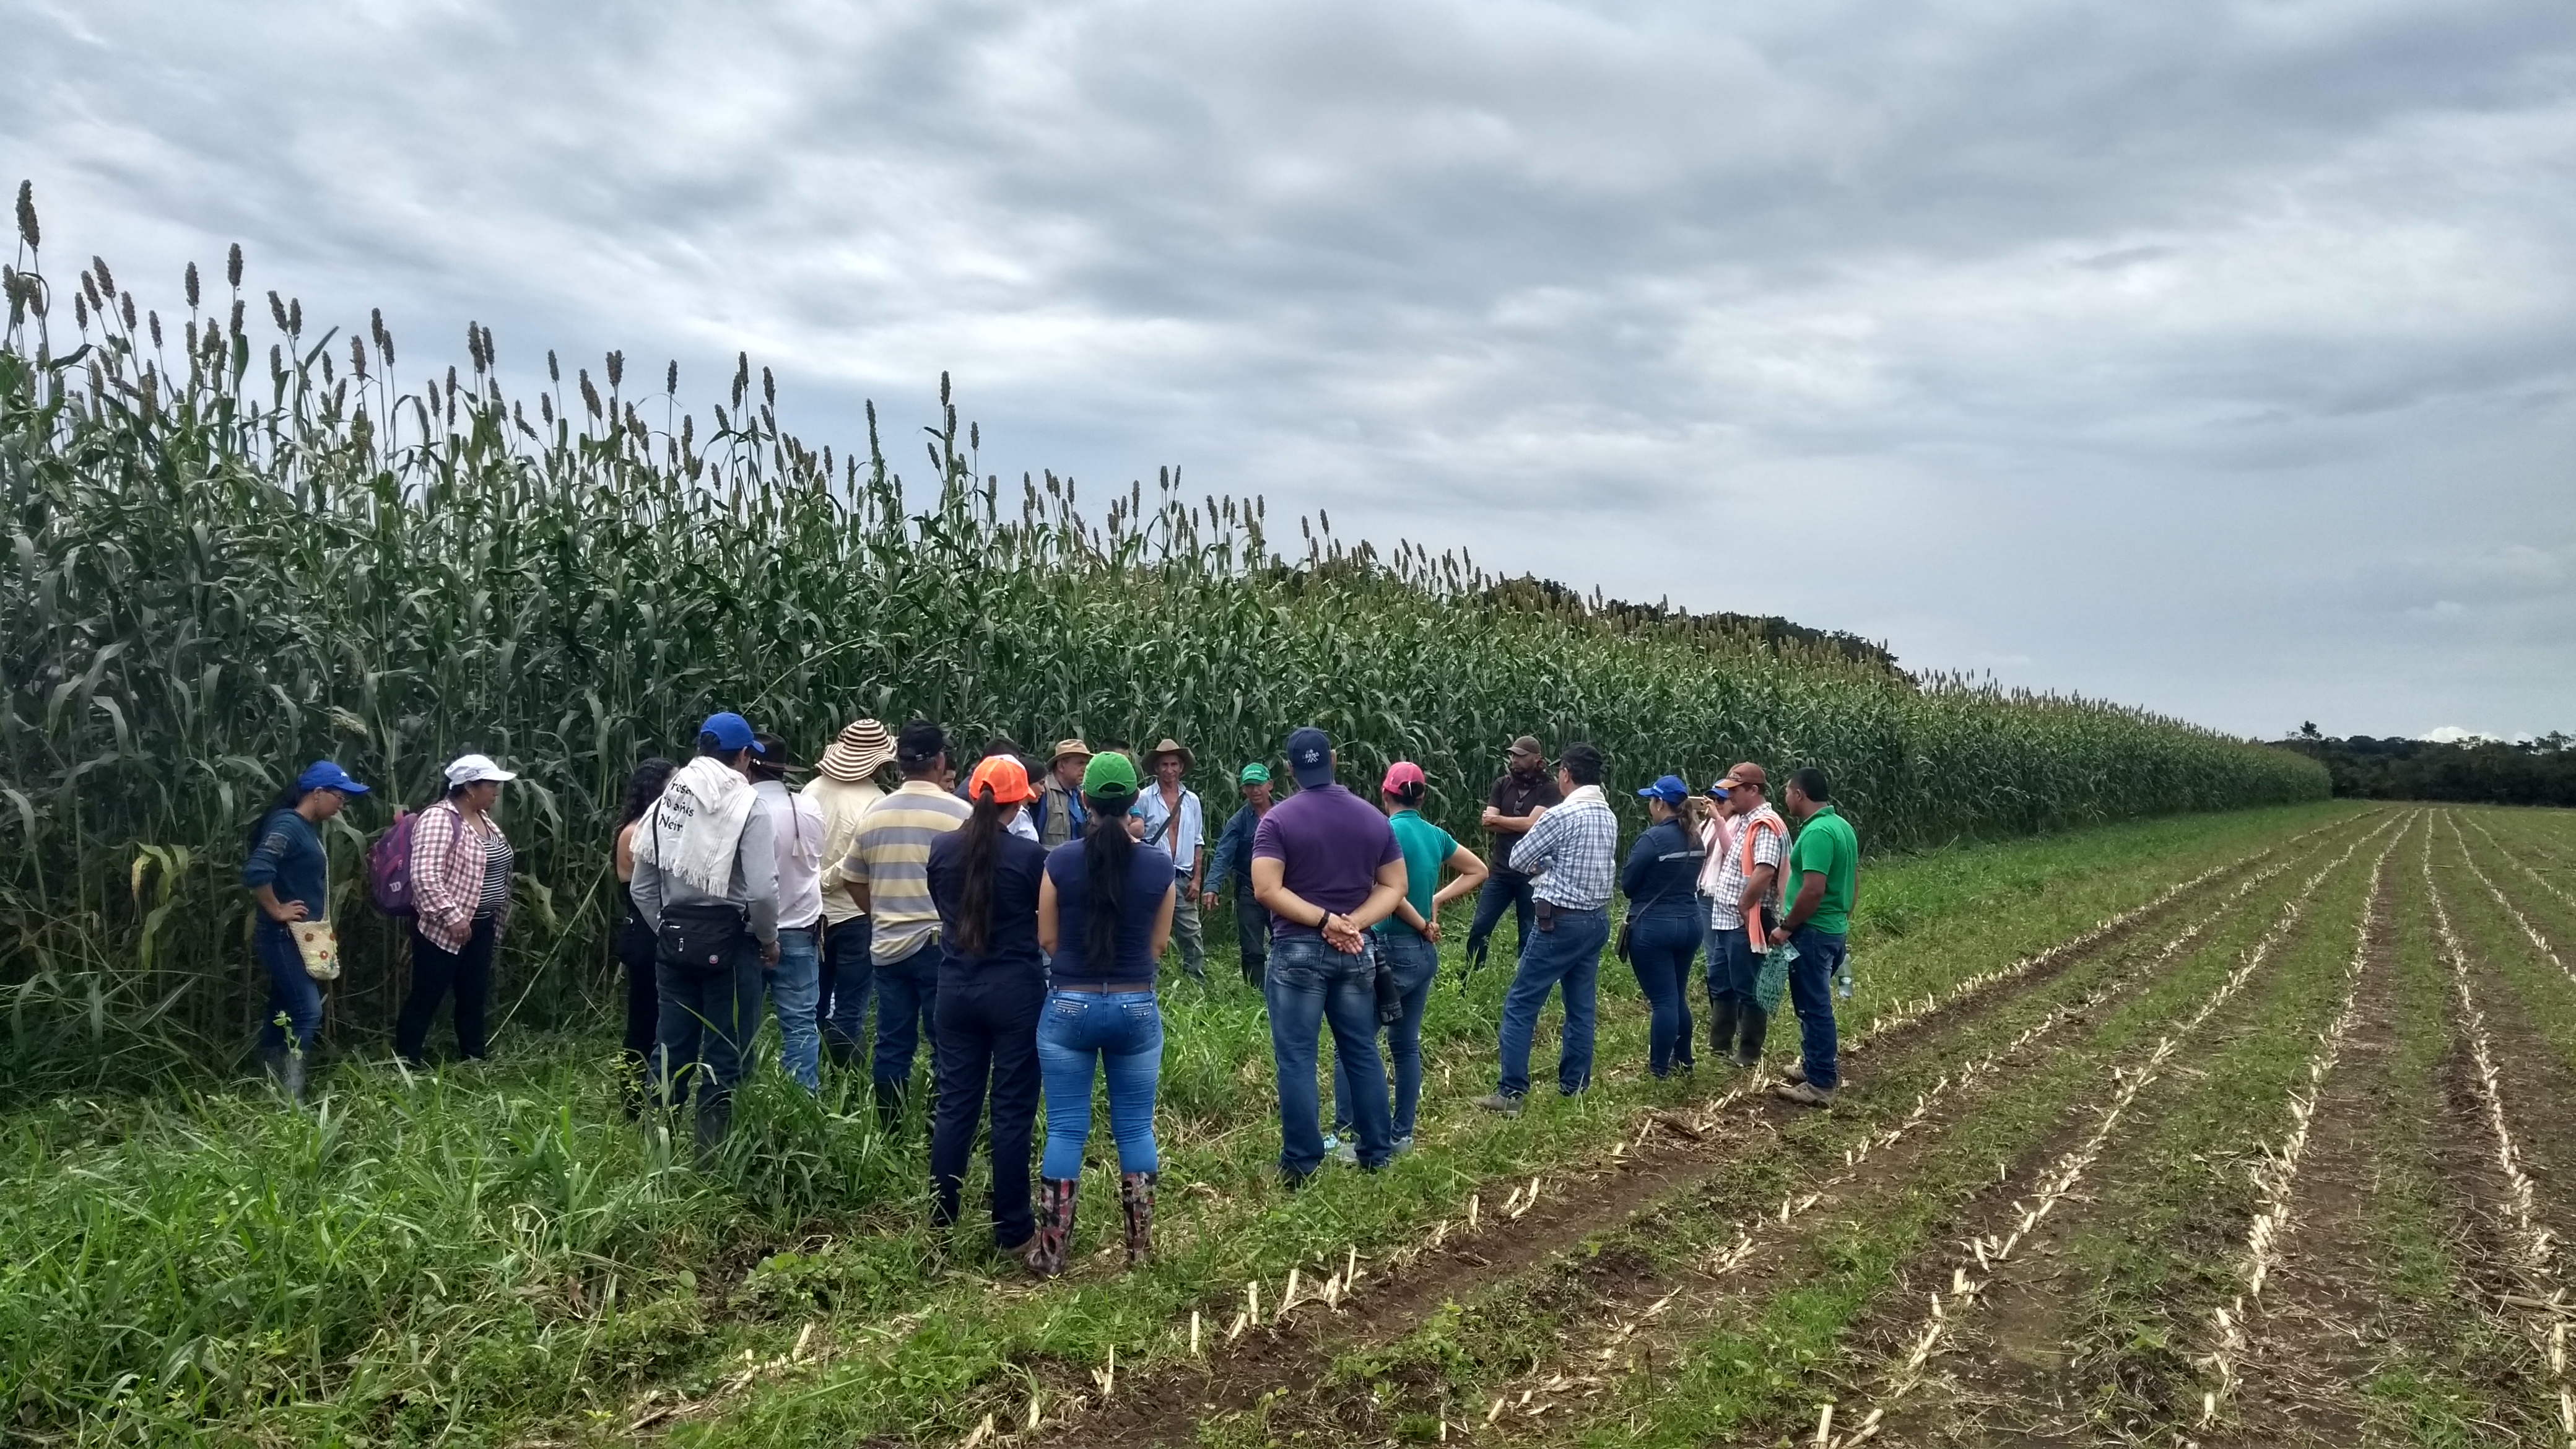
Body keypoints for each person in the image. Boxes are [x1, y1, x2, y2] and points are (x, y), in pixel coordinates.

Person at [1031, 751, 1176, 1274]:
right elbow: (1158, 946)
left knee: (1067, 1130)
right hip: (1136, 1006)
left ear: (1084, 800)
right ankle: (1139, 1253)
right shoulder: (1159, 868)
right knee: (1135, 1129)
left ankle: (1051, 1253)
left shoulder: (1060, 861)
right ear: (1134, 800)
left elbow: (1046, 936)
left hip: (1068, 1001)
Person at [1252, 726, 1408, 1183]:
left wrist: (1324, 922)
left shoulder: (1277, 821)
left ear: (1289, 769)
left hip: (1298, 951)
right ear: (1333, 760)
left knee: (1298, 1057)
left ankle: (1302, 1163)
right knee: (1361, 1051)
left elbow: (1266, 888)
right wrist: (1353, 923)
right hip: (1356, 952)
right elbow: (1394, 886)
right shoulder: (1371, 819)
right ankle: (1377, 1153)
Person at [632, 713, 779, 1157]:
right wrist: (768, 939)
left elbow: (642, 887)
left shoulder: (664, 805)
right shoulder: (748, 807)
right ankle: (711, 1159)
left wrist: (669, 930)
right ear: (744, 757)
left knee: (669, 1050)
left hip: (672, 944)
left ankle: (655, 1153)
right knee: (726, 1055)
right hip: (733, 946)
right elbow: (761, 890)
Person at [1326, 762, 1487, 1159]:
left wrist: (1418, 919)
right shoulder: (1434, 835)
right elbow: (1478, 869)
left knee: (1353, 1043)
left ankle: (1348, 1135)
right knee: (1405, 1044)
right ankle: (1403, 1135)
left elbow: (1390, 894)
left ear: (1385, 795)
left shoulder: (1384, 832)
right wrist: (1435, 900)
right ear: (1422, 797)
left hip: (1391, 950)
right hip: (1423, 955)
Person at [926, 755, 1050, 1264]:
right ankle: (1014, 1230)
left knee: (955, 1106)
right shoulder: (1030, 857)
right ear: (1020, 799)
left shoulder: (942, 848)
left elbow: (942, 906)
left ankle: (939, 1222)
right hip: (1015, 992)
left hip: (955, 989)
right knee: (1011, 1112)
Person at [838, 720, 972, 1126]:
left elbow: (850, 877)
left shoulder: (874, 814)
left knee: (892, 1043)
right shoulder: (960, 814)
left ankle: (891, 1129)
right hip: (940, 944)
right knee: (944, 1042)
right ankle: (940, 1127)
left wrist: (879, 911)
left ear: (898, 765)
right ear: (940, 761)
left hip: (888, 947)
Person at [1476, 741, 1616, 1113]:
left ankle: (1512, 1092)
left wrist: (1548, 866)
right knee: (1581, 1007)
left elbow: (1521, 858)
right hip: (1596, 919)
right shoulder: (1608, 815)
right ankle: (1575, 1087)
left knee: (1522, 1002)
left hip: (1560, 921)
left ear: (1566, 775)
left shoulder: (1562, 815)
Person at [242, 760, 370, 1100]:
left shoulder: (303, 827)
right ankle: (291, 1099)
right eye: (339, 796)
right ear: (317, 793)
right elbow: (257, 869)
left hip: (299, 936)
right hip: (284, 936)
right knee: (308, 1011)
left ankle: (269, 1089)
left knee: (282, 1009)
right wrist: (276, 909)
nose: (343, 803)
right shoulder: (288, 824)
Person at [398, 753, 518, 1067]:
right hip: (444, 928)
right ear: (469, 787)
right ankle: (406, 1060)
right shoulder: (439, 818)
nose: (496, 792)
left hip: (481, 923)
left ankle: (474, 1057)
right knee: (428, 994)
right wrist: (452, 917)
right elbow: (424, 874)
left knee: (473, 994)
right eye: (491, 785)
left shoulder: (483, 819)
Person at [809, 717, 895, 1073]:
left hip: (811, 914)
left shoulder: (811, 790)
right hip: (856, 912)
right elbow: (865, 863)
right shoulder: (876, 802)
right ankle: (846, 1082)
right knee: (850, 1005)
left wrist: (815, 882)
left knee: (813, 1003)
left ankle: (810, 1077)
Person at [1773, 767, 1859, 1106]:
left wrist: (1787, 926)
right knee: (1812, 1003)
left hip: (1812, 932)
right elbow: (1853, 880)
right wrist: (1843, 918)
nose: (1785, 798)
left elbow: (1813, 890)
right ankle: (1812, 1066)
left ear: (1799, 794)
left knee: (1814, 1006)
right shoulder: (1842, 827)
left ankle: (1821, 1082)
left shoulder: (1818, 833)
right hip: (1831, 928)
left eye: (1787, 792)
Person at [752, 733, 827, 1092]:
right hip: (801, 928)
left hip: (749, 931)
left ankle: (736, 1100)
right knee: (800, 1024)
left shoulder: (743, 808)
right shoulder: (808, 807)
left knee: (740, 1024)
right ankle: (801, 1104)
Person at [1622, 775, 1708, 1079]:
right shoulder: (1696, 838)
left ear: (1660, 803)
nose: (1649, 805)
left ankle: (1658, 1070)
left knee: (1663, 1002)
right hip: (1690, 922)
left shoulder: (1653, 839)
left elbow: (1628, 885)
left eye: (1651, 800)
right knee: (1677, 995)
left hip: (1654, 927)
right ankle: (1684, 1060)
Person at [1706, 764, 1788, 1069]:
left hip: (1745, 920)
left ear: (1753, 791)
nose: (1728, 795)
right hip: (1727, 920)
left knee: (1747, 986)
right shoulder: (1746, 820)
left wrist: (1744, 904)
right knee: (1721, 982)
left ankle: (1749, 1053)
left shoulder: (1765, 823)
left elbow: (1765, 870)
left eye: (1735, 790)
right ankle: (1720, 1045)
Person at [612, 757, 680, 1113]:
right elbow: (647, 888)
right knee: (642, 1020)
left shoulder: (659, 827)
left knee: (659, 1018)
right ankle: (633, 1100)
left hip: (656, 931)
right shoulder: (636, 832)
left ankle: (654, 1091)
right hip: (645, 932)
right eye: (674, 782)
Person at [1464, 736, 1562, 975]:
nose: (1514, 760)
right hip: (1500, 871)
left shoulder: (1549, 789)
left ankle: (1525, 980)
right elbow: (1489, 824)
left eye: (1520, 755)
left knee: (1528, 931)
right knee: (1480, 927)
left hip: (1532, 873)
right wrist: (1516, 824)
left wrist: (1501, 820)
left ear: (1537, 758)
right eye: (1513, 755)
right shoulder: (1502, 784)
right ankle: (1470, 976)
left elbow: (1532, 825)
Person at [1136, 738, 1208, 984]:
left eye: (1174, 764)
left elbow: (1199, 841)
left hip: (1182, 876)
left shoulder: (1192, 801)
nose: (1169, 770)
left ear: (1181, 767)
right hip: (1153, 875)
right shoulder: (1144, 798)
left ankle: (1195, 983)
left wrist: (1197, 879)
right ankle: (1148, 982)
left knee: (1192, 933)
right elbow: (1136, 837)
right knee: (1149, 931)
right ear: (1156, 768)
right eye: (1164, 764)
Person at [1202, 762, 1276, 985]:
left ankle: (1288, 988)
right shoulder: (1239, 821)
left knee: (1287, 942)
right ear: (1242, 790)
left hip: (1281, 890)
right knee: (1252, 948)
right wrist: (1211, 886)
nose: (1255, 791)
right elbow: (1223, 853)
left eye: (1259, 785)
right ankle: (1256, 993)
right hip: (1248, 891)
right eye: (1249, 786)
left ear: (1270, 785)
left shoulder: (1285, 815)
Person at [1031, 739, 1092, 850]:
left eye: (1086, 763)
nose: (1085, 768)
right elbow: (1033, 838)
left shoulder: (1079, 794)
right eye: (1080, 763)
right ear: (1061, 766)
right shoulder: (1044, 792)